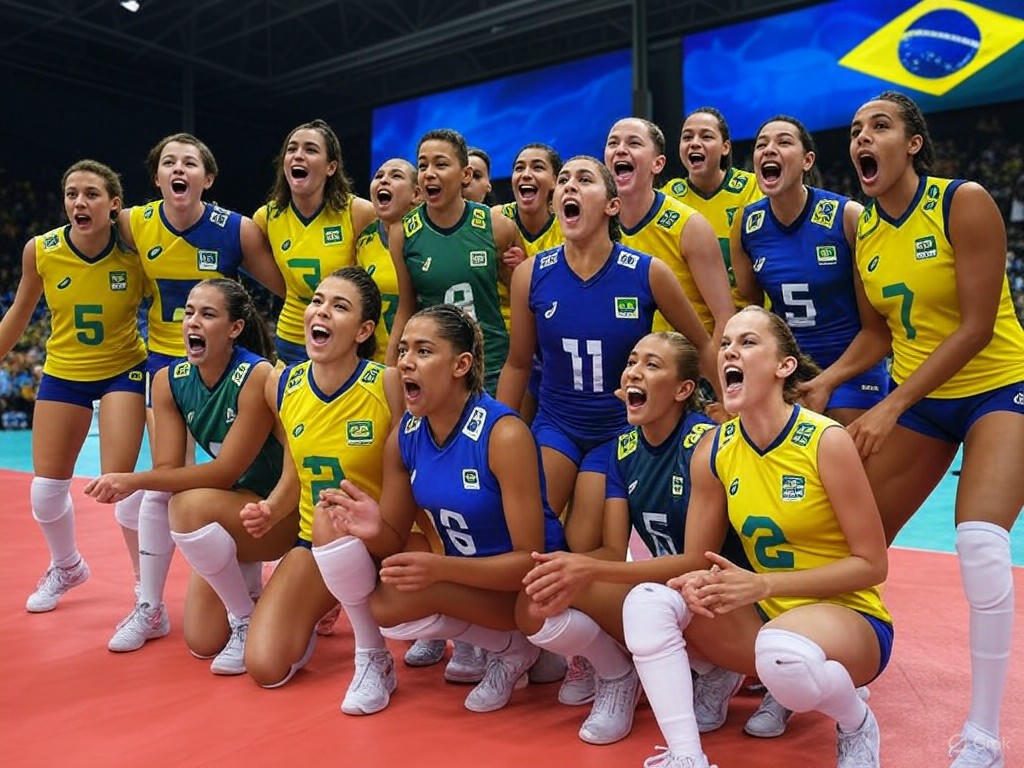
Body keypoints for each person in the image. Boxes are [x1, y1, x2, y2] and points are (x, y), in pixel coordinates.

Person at [623, 306, 893, 768]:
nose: (730, 351)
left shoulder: (825, 440)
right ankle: (686, 756)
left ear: (783, 366)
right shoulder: (714, 449)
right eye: (726, 343)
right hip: (764, 616)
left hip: (849, 618)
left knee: (781, 654)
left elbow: (872, 565)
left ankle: (855, 720)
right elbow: (696, 558)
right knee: (647, 603)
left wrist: (763, 584)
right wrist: (697, 583)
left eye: (747, 342)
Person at [847, 91, 1024, 767]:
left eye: (880, 126)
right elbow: (876, 333)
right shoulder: (866, 231)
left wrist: (891, 404)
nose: (863, 138)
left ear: (913, 143)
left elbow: (977, 327)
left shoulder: (962, 201)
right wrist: (826, 382)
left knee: (980, 542)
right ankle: (828, 675)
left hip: (999, 388)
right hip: (924, 402)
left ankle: (983, 735)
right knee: (850, 537)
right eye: (856, 131)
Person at [317, 304, 566, 713]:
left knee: (396, 598)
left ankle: (523, 644)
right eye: (402, 350)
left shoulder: (504, 434)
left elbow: (530, 562)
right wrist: (372, 527)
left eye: (423, 351)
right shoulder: (407, 434)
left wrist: (439, 569)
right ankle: (505, 647)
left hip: (525, 589)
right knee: (347, 541)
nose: (405, 362)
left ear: (460, 365)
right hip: (468, 577)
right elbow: (393, 540)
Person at [518, 331, 749, 746]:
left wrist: (588, 568)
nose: (633, 373)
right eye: (631, 363)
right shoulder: (623, 448)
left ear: (683, 390)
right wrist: (573, 566)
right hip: (666, 588)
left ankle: (716, 668)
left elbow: (698, 560)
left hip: (717, 593)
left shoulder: (704, 442)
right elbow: (613, 549)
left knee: (625, 592)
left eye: (651, 365)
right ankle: (618, 674)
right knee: (542, 596)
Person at [498, 155, 715, 555]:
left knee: (582, 543)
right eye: (564, 180)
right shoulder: (531, 274)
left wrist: (732, 408)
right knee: (526, 529)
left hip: (618, 429)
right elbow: (518, 363)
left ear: (612, 205)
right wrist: (496, 433)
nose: (569, 185)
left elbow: (701, 344)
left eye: (584, 179)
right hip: (556, 423)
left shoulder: (647, 272)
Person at [116, 132, 284, 644]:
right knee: (163, 486)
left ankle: (286, 574)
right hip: (169, 365)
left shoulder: (238, 229)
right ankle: (149, 605)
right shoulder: (132, 222)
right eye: (168, 162)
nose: (178, 169)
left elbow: (288, 288)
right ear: (156, 177)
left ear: (208, 178)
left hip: (226, 361)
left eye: (189, 162)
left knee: (215, 477)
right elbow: (87, 239)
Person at [85, 279, 295, 662]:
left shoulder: (256, 375)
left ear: (235, 328)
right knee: (202, 641)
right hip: (237, 511)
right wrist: (140, 483)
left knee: (183, 505)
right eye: (190, 312)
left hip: (278, 515)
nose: (193, 322)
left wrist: (130, 479)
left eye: (208, 314)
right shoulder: (169, 381)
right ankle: (151, 607)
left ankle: (247, 617)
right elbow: (168, 468)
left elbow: (224, 471)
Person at [242, 266, 404, 714]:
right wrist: (271, 508)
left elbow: (414, 469)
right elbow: (295, 474)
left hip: (384, 537)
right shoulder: (284, 384)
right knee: (265, 666)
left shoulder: (386, 384)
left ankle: (373, 655)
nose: (322, 311)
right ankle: (330, 596)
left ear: (363, 331)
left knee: (338, 516)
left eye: (340, 306)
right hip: (318, 542)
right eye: (317, 301)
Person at [0, 160, 147, 614]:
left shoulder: (136, 252)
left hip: (124, 370)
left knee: (122, 488)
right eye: (71, 194)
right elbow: (19, 314)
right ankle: (66, 566)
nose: (79, 202)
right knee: (44, 493)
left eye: (91, 194)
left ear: (114, 205)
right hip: (64, 372)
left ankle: (146, 589)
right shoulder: (41, 251)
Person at [731, 115, 888, 426]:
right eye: (761, 144)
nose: (769, 149)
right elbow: (751, 311)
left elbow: (879, 332)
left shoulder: (848, 217)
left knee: (843, 434)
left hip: (853, 370)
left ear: (807, 161)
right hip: (787, 371)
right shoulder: (747, 225)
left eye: (783, 142)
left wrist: (824, 383)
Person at [387, 129, 521, 394]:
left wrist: (522, 363)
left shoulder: (498, 226)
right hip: (433, 370)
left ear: (465, 175)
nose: (429, 173)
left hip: (491, 367)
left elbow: (520, 301)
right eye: (422, 165)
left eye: (441, 164)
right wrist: (391, 369)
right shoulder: (402, 233)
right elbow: (406, 307)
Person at [255, 119, 376, 364]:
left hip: (343, 343)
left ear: (331, 167)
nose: (298, 155)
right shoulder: (266, 218)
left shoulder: (359, 212)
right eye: (292, 149)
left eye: (310, 149)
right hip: (290, 341)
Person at [605, 117, 733, 346]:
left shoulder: (690, 227)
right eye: (613, 143)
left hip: (687, 362)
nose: (620, 150)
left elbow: (725, 318)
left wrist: (710, 365)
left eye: (634, 143)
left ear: (658, 164)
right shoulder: (597, 225)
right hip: (623, 362)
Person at [662, 106, 763, 295]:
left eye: (706, 136)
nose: (694, 143)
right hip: (689, 310)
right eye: (687, 137)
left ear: (725, 147)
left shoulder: (753, 188)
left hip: (748, 309)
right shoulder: (667, 197)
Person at [356, 157, 420, 364]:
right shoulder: (363, 241)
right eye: (379, 176)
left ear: (416, 194)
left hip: (419, 362)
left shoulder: (428, 239)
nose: (384, 180)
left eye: (396, 176)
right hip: (374, 363)